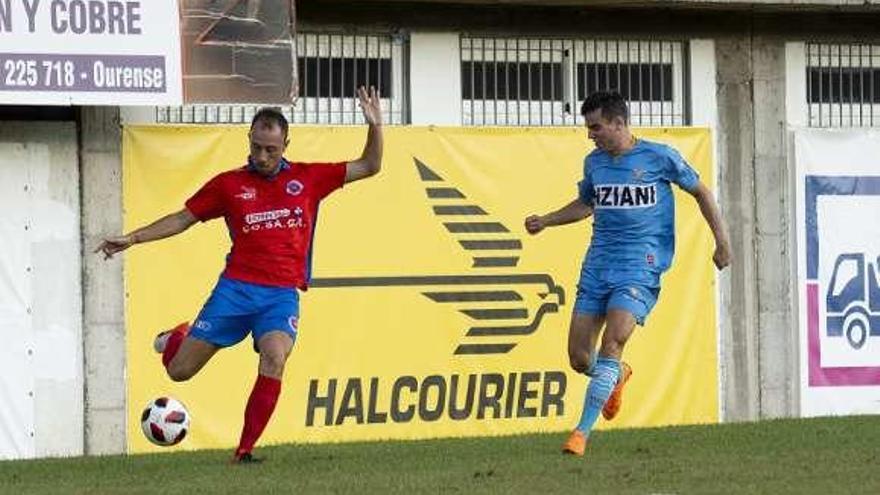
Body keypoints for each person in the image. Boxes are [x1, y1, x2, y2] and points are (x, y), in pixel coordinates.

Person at [96, 86, 384, 463]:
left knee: (275, 357)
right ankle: (177, 336)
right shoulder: (229, 185)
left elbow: (370, 166)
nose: (263, 156)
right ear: (249, 140)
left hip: (279, 296)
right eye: (257, 147)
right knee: (180, 373)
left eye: (272, 149)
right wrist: (133, 238)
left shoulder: (309, 178)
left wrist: (376, 126)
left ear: (285, 145)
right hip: (234, 292)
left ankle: (244, 451)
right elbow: (183, 218)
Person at [524, 91, 731, 457]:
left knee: (614, 342)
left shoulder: (659, 157)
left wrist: (722, 241)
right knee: (579, 359)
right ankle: (616, 375)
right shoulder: (594, 164)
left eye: (596, 127)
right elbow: (587, 204)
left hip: (640, 265)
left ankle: (580, 434)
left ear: (619, 123)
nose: (591, 134)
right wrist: (547, 220)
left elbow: (702, 193)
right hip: (598, 265)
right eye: (589, 128)